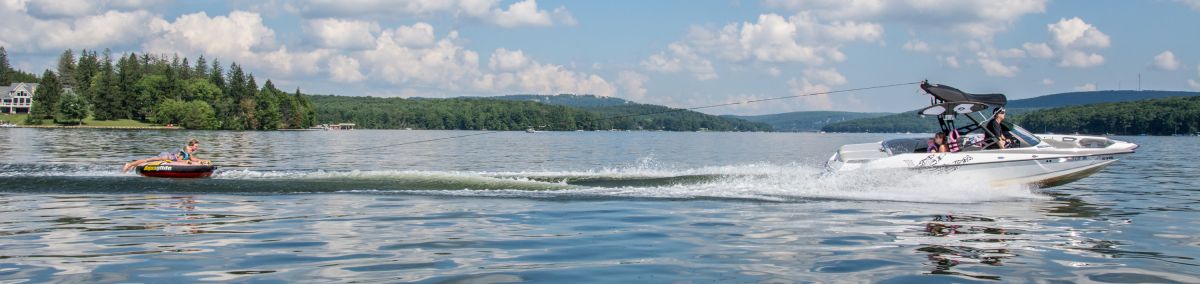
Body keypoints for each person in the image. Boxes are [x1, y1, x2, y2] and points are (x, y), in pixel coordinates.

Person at [122, 138, 211, 172]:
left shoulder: (190, 151)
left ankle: (133, 165)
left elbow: (192, 158)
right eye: (196, 146)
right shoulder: (187, 149)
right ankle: (129, 164)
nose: (197, 148)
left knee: (148, 160)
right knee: (148, 160)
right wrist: (187, 162)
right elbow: (179, 160)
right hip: (167, 156)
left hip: (171, 158)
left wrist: (202, 161)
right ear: (192, 145)